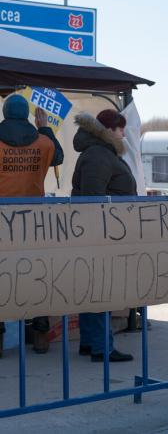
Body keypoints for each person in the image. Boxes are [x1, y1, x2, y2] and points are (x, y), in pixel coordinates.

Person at [0, 94, 63, 356]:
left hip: (2, 218)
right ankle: (40, 335)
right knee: (36, 274)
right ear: (27, 114)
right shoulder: (44, 142)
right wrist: (44, 127)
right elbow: (58, 157)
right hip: (34, 220)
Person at [72, 109, 136, 362]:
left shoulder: (101, 152)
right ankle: (101, 347)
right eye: (120, 128)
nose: (123, 133)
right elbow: (93, 199)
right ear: (108, 130)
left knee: (93, 287)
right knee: (100, 288)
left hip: (102, 230)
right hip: (101, 232)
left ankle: (91, 342)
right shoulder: (99, 154)